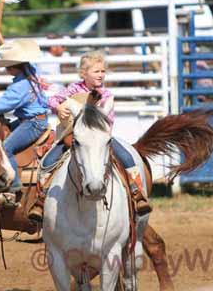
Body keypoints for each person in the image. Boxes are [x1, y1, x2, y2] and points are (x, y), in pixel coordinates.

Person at [27, 51, 151, 223]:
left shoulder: (105, 95)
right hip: (72, 136)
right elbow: (52, 100)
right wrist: (59, 107)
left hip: (100, 138)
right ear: (83, 74)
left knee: (127, 158)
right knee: (48, 162)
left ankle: (137, 194)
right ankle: (41, 200)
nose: (101, 75)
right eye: (96, 71)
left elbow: (109, 121)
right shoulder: (73, 89)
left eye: (102, 71)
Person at [0, 30, 50, 205]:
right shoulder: (31, 70)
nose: (6, 69)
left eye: (7, 66)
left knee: (5, 147)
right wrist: (2, 42)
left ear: (12, 67)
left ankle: (14, 187)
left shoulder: (19, 87)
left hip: (32, 123)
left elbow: (2, 106)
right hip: (36, 119)